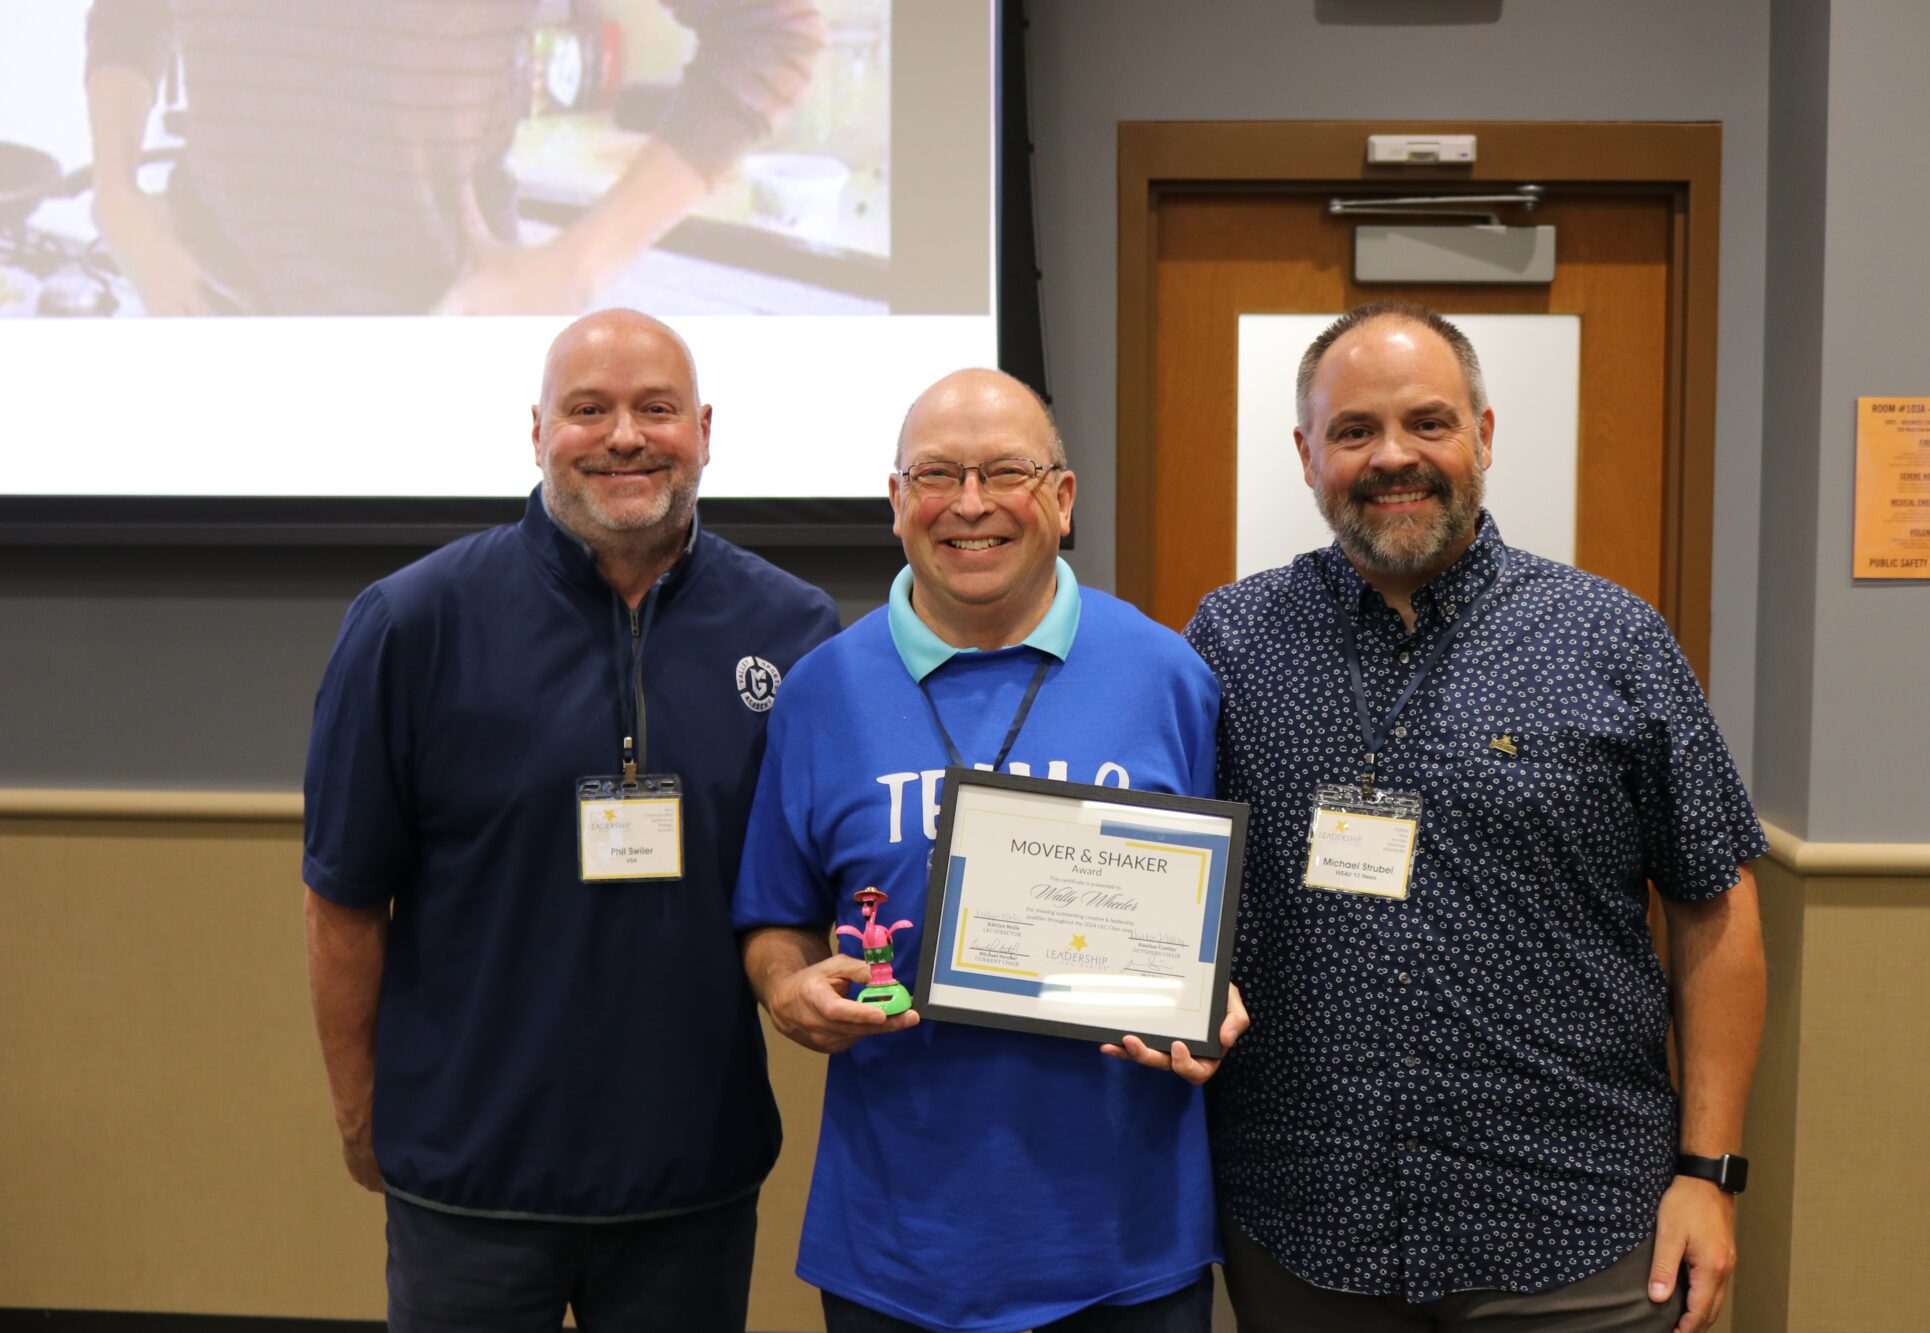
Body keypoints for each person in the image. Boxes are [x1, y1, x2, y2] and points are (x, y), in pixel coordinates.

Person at [1183, 300, 1767, 1333]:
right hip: (1305, 1224)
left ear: (1483, 436)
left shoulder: (1610, 639)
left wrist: (1707, 1172)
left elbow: (1713, 907)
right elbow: (1173, 878)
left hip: (1576, 1222)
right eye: (1353, 430)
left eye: (1427, 422)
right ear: (1306, 452)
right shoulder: (1232, 642)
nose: (1391, 457)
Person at [302, 309, 840, 1330]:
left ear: (705, 428)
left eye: (657, 408)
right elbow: (341, 899)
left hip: (692, 1172)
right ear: (537, 429)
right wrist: (359, 1109)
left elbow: (805, 882)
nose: (625, 436)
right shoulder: (412, 623)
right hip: (470, 1175)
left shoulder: (793, 627)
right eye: (588, 409)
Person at [733, 368, 1249, 1333]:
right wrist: (786, 987)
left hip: (1127, 1247)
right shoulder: (819, 693)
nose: (969, 504)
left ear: (1061, 497)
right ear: (897, 503)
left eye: (1005, 471)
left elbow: (1225, 912)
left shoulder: (1169, 675)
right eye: (936, 474)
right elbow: (775, 916)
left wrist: (1214, 991)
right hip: (896, 1250)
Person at [84, 0, 824, 315]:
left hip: (437, 337)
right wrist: (115, 197)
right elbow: (132, 13)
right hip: (214, 316)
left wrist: (576, 267)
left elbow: (768, 30)